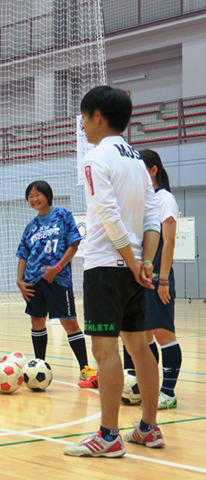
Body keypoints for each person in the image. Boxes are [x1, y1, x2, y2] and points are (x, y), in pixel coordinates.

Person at [64, 86, 164, 458]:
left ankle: (108, 436)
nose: (83, 126)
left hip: (107, 267)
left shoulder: (94, 158)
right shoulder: (138, 161)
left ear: (98, 117)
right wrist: (146, 262)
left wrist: (133, 261)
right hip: (136, 270)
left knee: (105, 351)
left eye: (84, 118)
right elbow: (151, 217)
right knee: (139, 347)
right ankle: (148, 428)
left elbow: (108, 216)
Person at [16, 180, 96, 384]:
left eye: (38, 194)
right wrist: (20, 281)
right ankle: (39, 365)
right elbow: (23, 255)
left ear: (47, 195)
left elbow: (74, 244)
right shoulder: (31, 226)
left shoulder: (62, 215)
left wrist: (57, 269)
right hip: (33, 280)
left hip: (58, 279)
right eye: (30, 196)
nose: (34, 199)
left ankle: (84, 368)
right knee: (37, 322)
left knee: (69, 322)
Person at [122, 149, 182, 410]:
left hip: (158, 276)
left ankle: (168, 392)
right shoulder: (142, 201)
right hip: (139, 277)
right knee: (142, 336)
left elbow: (168, 242)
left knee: (163, 333)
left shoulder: (164, 199)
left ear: (153, 170)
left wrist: (164, 280)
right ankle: (145, 388)